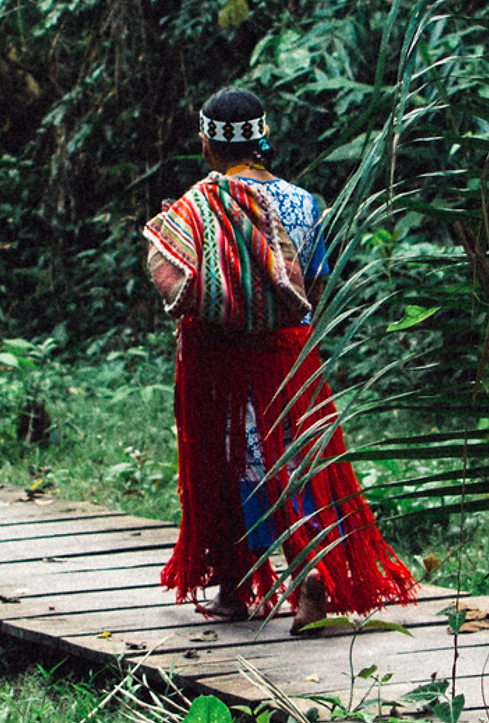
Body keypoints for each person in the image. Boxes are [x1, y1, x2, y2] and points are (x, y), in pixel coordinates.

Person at [142, 88, 416, 633]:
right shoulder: (303, 204)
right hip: (286, 359)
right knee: (295, 462)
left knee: (226, 464)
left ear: (207, 144)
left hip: (218, 363)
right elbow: (313, 286)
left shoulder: (195, 207)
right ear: (262, 139)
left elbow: (180, 283)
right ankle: (308, 570)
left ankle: (233, 588)